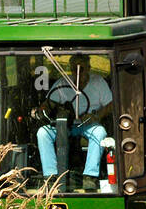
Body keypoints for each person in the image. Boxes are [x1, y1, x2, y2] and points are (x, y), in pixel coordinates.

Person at [35, 54, 113, 192]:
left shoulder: (98, 82)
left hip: (88, 124)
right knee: (42, 133)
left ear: (88, 68)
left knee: (100, 132)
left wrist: (96, 115)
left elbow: (110, 105)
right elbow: (49, 103)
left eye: (81, 69)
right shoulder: (62, 83)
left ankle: (90, 176)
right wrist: (43, 109)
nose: (78, 72)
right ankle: (52, 176)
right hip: (66, 124)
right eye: (74, 69)